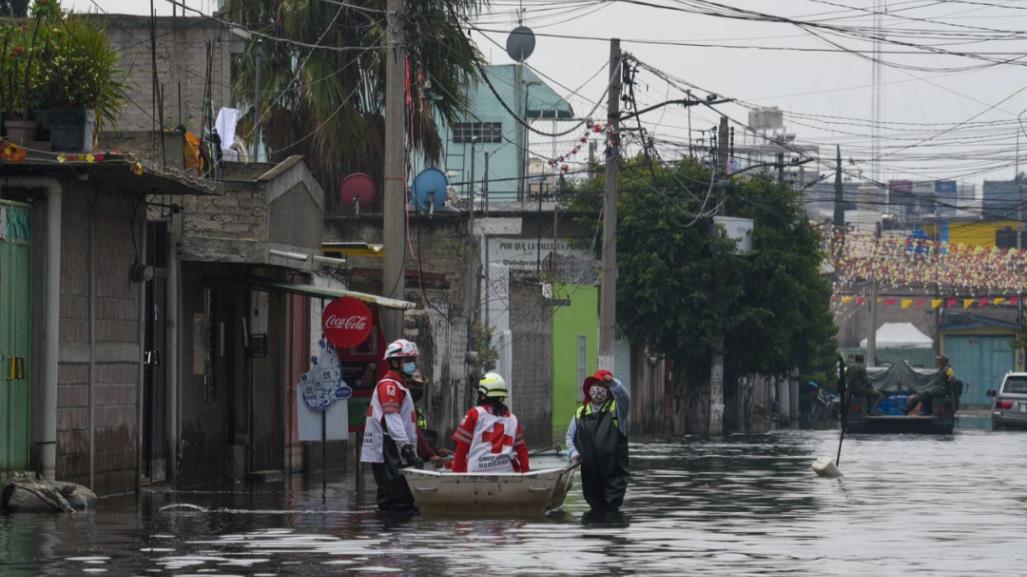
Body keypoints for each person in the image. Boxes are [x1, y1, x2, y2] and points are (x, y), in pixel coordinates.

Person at [359, 338, 423, 513]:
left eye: (413, 361)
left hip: (394, 449)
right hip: (388, 449)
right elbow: (392, 417)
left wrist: (425, 452)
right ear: (395, 362)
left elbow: (409, 424)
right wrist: (406, 447)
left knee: (399, 500)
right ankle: (391, 536)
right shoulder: (389, 387)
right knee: (397, 502)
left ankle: (391, 535)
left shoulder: (399, 387)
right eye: (408, 361)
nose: (412, 365)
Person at [565, 369, 631, 514]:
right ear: (589, 389)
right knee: (595, 511)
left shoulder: (617, 410)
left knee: (611, 511)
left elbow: (625, 398)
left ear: (609, 390)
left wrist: (613, 383)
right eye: (595, 385)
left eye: (602, 385)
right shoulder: (580, 413)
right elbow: (569, 437)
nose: (598, 389)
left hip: (614, 475)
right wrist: (574, 453)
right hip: (590, 474)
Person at [452, 372, 530, 473]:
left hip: (475, 474)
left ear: (483, 396)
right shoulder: (513, 420)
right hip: (506, 474)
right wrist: (526, 473)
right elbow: (522, 452)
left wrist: (456, 476)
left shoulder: (474, 414)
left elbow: (461, 449)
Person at [407, 370, 452, 464]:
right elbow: (416, 434)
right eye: (414, 385)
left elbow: (421, 434)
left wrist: (436, 451)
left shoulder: (414, 407)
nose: (418, 389)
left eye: (420, 386)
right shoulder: (405, 408)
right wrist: (431, 454)